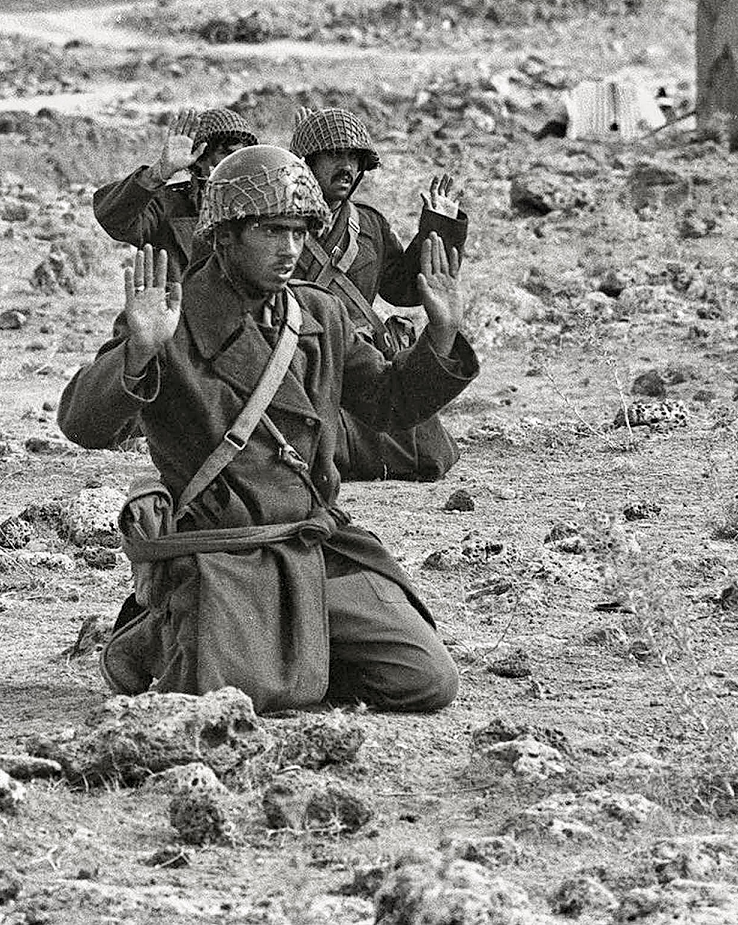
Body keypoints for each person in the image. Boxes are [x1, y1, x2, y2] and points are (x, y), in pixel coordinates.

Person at [59, 146, 478, 712]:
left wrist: (442, 336)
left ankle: (297, 651)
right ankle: (159, 636)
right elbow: (82, 424)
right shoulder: (170, 319)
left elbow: (387, 404)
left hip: (312, 541)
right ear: (225, 235)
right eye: (271, 231)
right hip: (224, 552)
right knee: (237, 698)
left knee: (426, 680)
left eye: (301, 232)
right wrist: (138, 352)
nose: (289, 250)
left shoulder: (318, 314)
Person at [289, 106, 470, 482]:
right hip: (302, 362)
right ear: (307, 163)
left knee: (430, 453)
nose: (347, 167)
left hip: (360, 364)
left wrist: (437, 228)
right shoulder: (281, 223)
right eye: (335, 155)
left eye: (354, 158)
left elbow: (401, 288)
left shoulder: (368, 223)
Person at [91, 107, 257, 277]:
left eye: (243, 155)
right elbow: (114, 219)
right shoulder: (167, 205)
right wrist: (157, 173)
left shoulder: (260, 206)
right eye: (225, 154)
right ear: (200, 160)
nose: (236, 163)